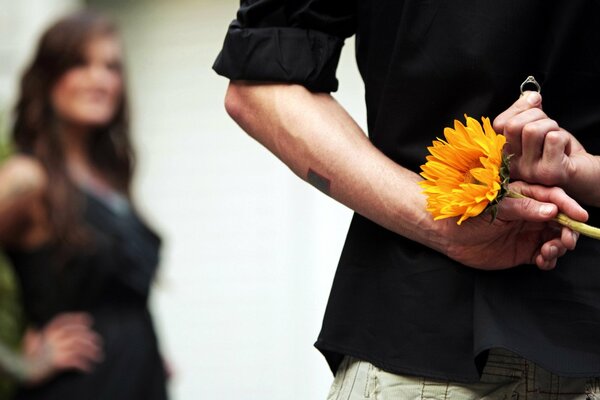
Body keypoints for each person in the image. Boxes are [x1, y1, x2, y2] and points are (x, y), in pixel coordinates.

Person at [214, 1, 600, 399]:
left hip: (413, 329)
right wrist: (445, 221)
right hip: (419, 337)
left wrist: (580, 172)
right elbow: (257, 86)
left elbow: (259, 83)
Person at [1, 9, 169, 399]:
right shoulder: (28, 178)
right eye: (80, 63)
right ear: (47, 78)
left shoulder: (109, 177)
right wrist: (18, 363)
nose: (100, 79)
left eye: (111, 67)